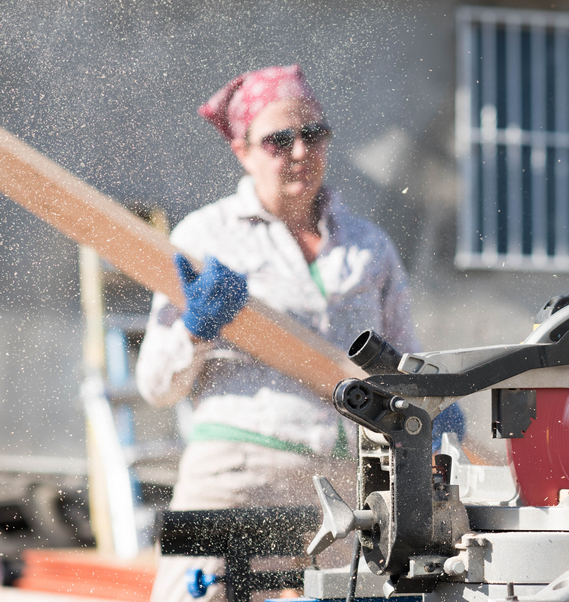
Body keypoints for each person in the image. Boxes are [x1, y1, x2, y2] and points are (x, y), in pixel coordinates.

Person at [136, 65, 456, 602]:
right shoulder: (205, 238)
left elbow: (405, 362)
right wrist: (194, 330)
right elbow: (155, 385)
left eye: (313, 134)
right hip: (238, 471)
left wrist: (433, 405)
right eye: (278, 140)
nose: (301, 151)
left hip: (350, 484)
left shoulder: (368, 246)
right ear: (242, 151)